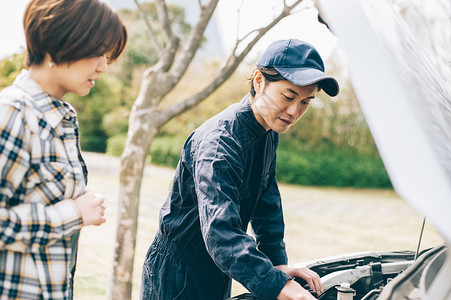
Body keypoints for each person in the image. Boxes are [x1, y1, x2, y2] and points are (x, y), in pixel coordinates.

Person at [140, 39, 339, 300]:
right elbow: (221, 233)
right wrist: (278, 285)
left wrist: (276, 263)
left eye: (305, 102)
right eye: (288, 96)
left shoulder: (268, 130)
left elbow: (267, 202)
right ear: (259, 81)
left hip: (217, 266)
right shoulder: (220, 143)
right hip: (179, 274)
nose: (294, 111)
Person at [0, 0, 127, 299]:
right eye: (97, 53)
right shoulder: (14, 113)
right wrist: (73, 213)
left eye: (106, 55)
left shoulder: (61, 116)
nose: (103, 67)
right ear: (58, 43)